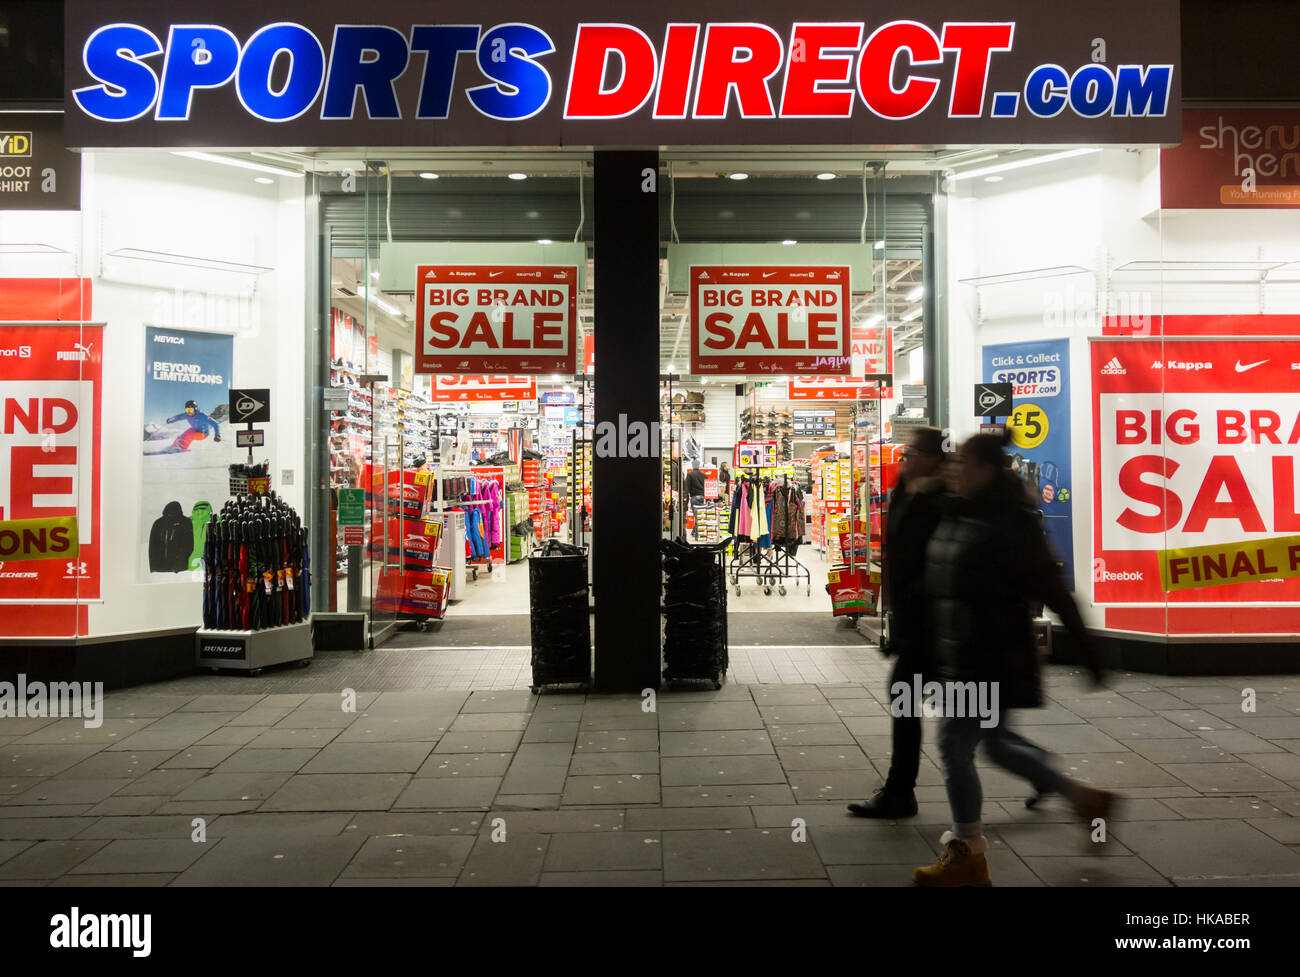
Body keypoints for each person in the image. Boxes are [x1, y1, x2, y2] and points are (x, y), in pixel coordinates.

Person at [913, 433, 1114, 887]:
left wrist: (1089, 652)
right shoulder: (961, 508)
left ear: (985, 469)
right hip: (964, 653)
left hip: (987, 657)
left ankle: (968, 853)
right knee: (997, 744)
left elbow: (1054, 588)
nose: (953, 468)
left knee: (953, 747)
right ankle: (1085, 799)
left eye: (962, 461)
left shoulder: (1010, 521)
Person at [848, 426, 949, 819]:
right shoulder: (906, 494)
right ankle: (898, 790)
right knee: (921, 703)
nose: (904, 459)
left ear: (932, 459)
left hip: (934, 626)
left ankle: (899, 793)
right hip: (916, 624)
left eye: (912, 453)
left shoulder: (939, 500)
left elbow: (934, 564)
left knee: (917, 702)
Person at [684, 462, 706, 540]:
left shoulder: (690, 474)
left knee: (697, 516)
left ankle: (696, 532)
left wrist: (685, 499)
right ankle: (694, 532)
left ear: (693, 466)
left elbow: (687, 487)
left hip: (694, 497)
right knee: (699, 515)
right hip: (702, 497)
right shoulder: (704, 475)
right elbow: (706, 486)